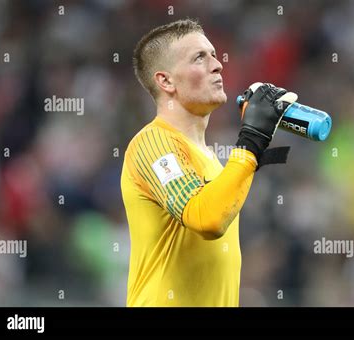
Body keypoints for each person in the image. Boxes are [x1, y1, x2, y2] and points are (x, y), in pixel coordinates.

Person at [121, 18, 296, 307]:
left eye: (213, 55)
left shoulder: (212, 160)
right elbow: (207, 219)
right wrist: (251, 142)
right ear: (165, 81)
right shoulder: (151, 144)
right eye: (199, 58)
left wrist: (254, 147)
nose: (218, 65)